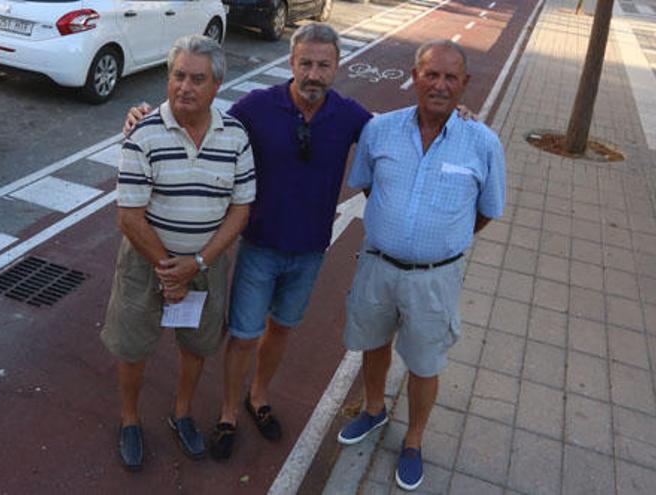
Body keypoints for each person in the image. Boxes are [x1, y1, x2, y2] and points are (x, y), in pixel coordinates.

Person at [125, 22, 372, 460]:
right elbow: (201, 116)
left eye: (323, 65)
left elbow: (397, 132)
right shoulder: (257, 106)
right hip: (258, 245)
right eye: (305, 63)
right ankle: (227, 414)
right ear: (292, 63)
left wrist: (457, 118)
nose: (313, 74)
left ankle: (257, 397)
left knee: (282, 328)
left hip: (312, 249)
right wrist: (143, 113)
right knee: (242, 334)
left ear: (336, 67)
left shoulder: (351, 116)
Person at [337, 39, 505, 491]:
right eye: (430, 74)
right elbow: (369, 186)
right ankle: (373, 410)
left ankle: (413, 438)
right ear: (415, 77)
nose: (439, 84)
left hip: (436, 278)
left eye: (451, 77)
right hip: (378, 266)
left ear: (464, 83)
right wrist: (397, 232)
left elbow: (486, 211)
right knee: (373, 344)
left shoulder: (483, 143)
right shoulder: (380, 130)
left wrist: (439, 240)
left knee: (425, 362)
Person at [100, 34, 255, 471]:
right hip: (146, 263)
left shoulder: (236, 136)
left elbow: (241, 209)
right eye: (177, 76)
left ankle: (181, 412)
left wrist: (198, 264)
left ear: (217, 86)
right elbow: (128, 217)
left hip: (204, 263)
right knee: (133, 347)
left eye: (197, 79)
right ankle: (130, 419)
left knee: (196, 345)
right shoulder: (142, 134)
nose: (185, 87)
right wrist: (171, 271)